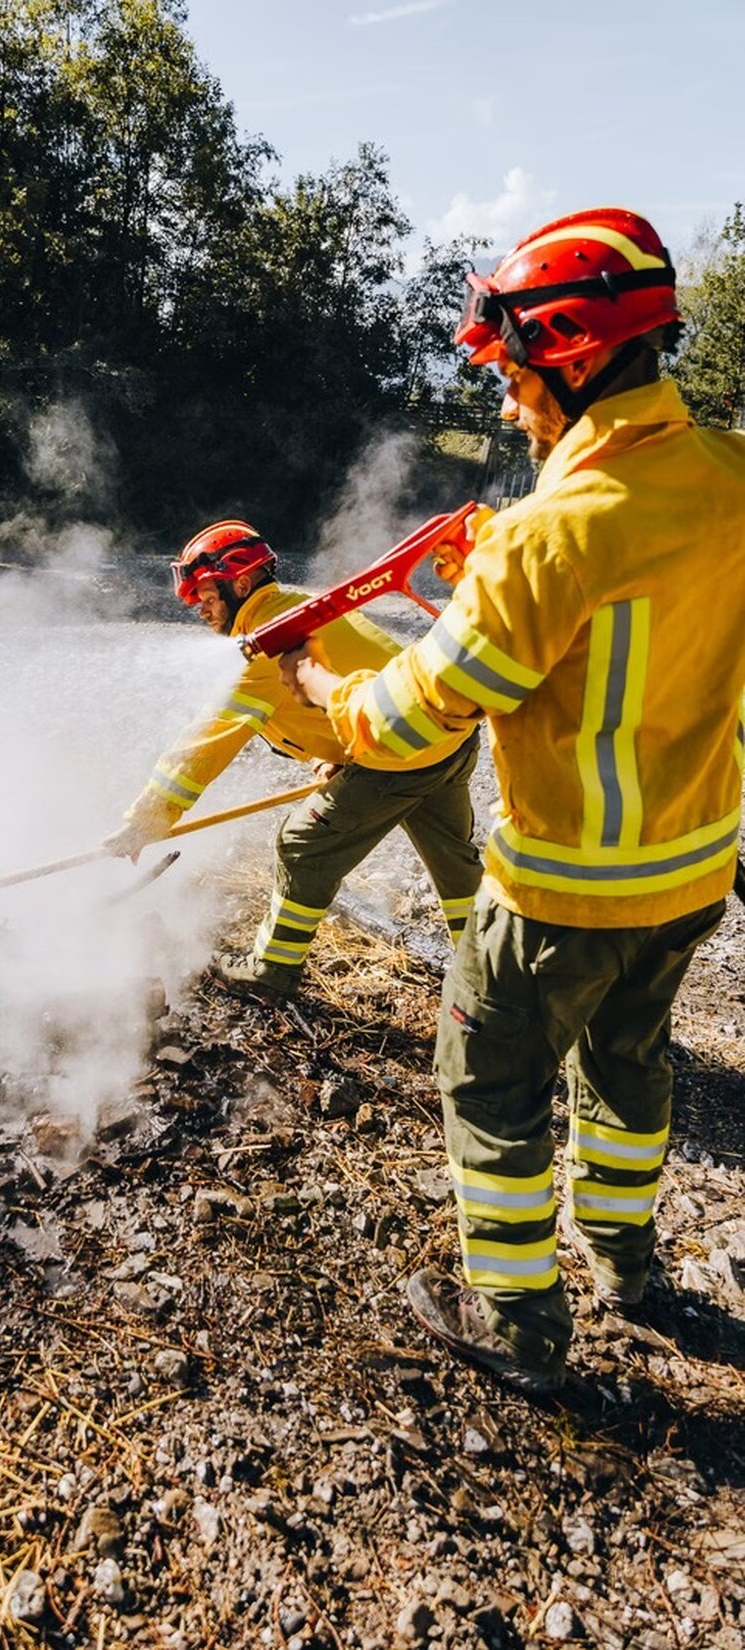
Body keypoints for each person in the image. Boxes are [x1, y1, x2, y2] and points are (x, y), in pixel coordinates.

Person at [281, 206, 745, 1394]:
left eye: (513, 370)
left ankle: (518, 1326)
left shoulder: (545, 543)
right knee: (631, 1062)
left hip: (557, 892)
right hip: (690, 874)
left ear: (576, 354)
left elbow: (415, 713)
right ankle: (624, 1262)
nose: (502, 399)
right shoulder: (724, 475)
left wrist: (315, 688)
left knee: (488, 1088)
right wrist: (498, 560)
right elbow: (618, 612)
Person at [107, 519, 483, 999]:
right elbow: (347, 680)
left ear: (241, 583)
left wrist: (149, 818)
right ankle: (487, 970)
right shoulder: (299, 609)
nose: (199, 609)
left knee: (302, 846)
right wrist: (329, 757)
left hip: (395, 759)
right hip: (447, 740)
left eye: (206, 595)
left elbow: (209, 738)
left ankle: (271, 971)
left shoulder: (264, 641)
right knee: (454, 861)